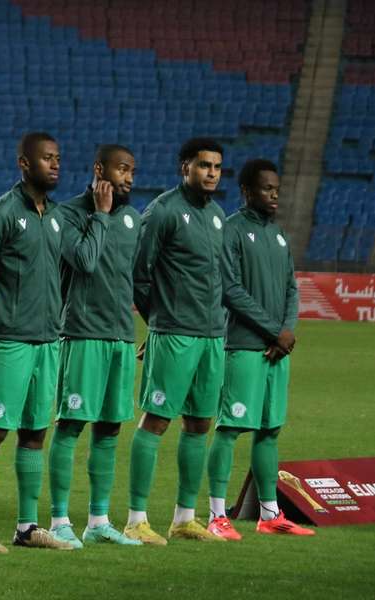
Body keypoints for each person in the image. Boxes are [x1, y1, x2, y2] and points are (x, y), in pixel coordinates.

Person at [0, 132, 72, 552]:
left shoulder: (59, 216)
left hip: (48, 341)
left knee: (35, 434)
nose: (55, 164)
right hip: (9, 342)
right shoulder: (4, 213)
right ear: (24, 163)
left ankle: (27, 527)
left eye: (58, 158)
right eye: (47, 158)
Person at [125, 137, 228, 544]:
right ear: (185, 167)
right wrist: (159, 320)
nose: (212, 173)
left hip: (211, 336)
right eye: (204, 165)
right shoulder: (163, 212)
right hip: (175, 334)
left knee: (200, 422)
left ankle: (184, 518)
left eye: (218, 167)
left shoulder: (219, 215)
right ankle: (136, 518)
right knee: (157, 419)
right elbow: (139, 274)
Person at [205, 159, 313, 539]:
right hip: (245, 347)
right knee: (231, 427)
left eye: (277, 190)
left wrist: (287, 332)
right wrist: (273, 332)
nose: (274, 196)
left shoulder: (279, 236)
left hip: (275, 351)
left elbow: (291, 289)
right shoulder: (232, 232)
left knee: (269, 430)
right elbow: (231, 290)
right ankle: (216, 516)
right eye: (267, 189)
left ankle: (270, 513)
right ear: (248, 191)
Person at [49, 145, 143, 547]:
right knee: (70, 428)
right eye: (122, 170)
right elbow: (84, 261)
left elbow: (134, 280)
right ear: (99, 169)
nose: (128, 179)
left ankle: (98, 520)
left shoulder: (134, 219)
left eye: (132, 172)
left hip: (121, 335)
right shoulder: (67, 215)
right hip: (82, 332)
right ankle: (58, 521)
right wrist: (101, 216)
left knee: (108, 431)